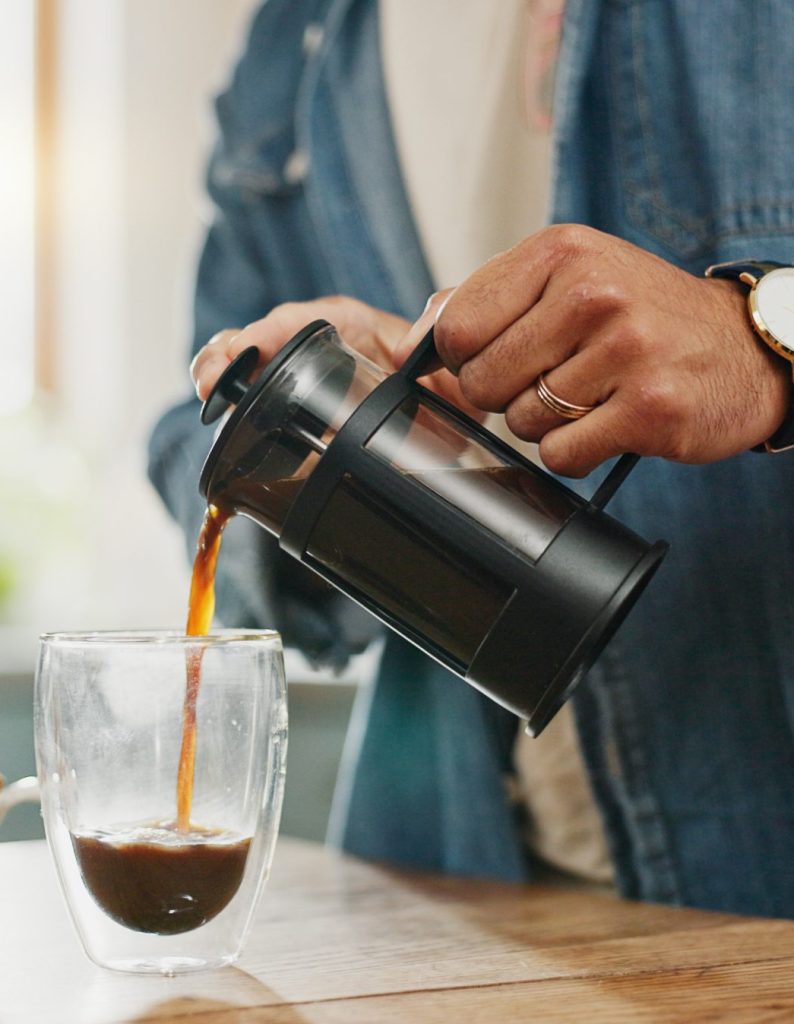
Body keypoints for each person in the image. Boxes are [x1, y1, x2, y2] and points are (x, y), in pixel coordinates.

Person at [149, 0, 794, 916]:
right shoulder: (292, 41)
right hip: (457, 880)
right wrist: (312, 474)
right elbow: (191, 425)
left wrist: (763, 338)